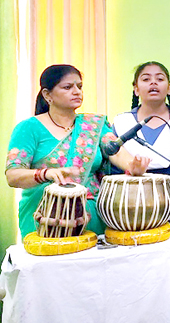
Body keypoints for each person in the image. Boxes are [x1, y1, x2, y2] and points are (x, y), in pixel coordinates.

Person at [6, 64, 149, 237]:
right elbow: (13, 175)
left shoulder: (94, 124)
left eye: (79, 86)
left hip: (90, 218)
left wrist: (132, 165)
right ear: (47, 95)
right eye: (68, 87)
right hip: (44, 218)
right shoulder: (29, 128)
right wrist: (47, 173)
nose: (77, 91)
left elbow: (115, 150)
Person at [112, 61, 170, 234]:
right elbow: (113, 167)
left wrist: (168, 204)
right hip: (129, 207)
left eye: (160, 79)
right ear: (136, 89)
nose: (153, 83)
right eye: (146, 79)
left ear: (169, 88)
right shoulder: (121, 122)